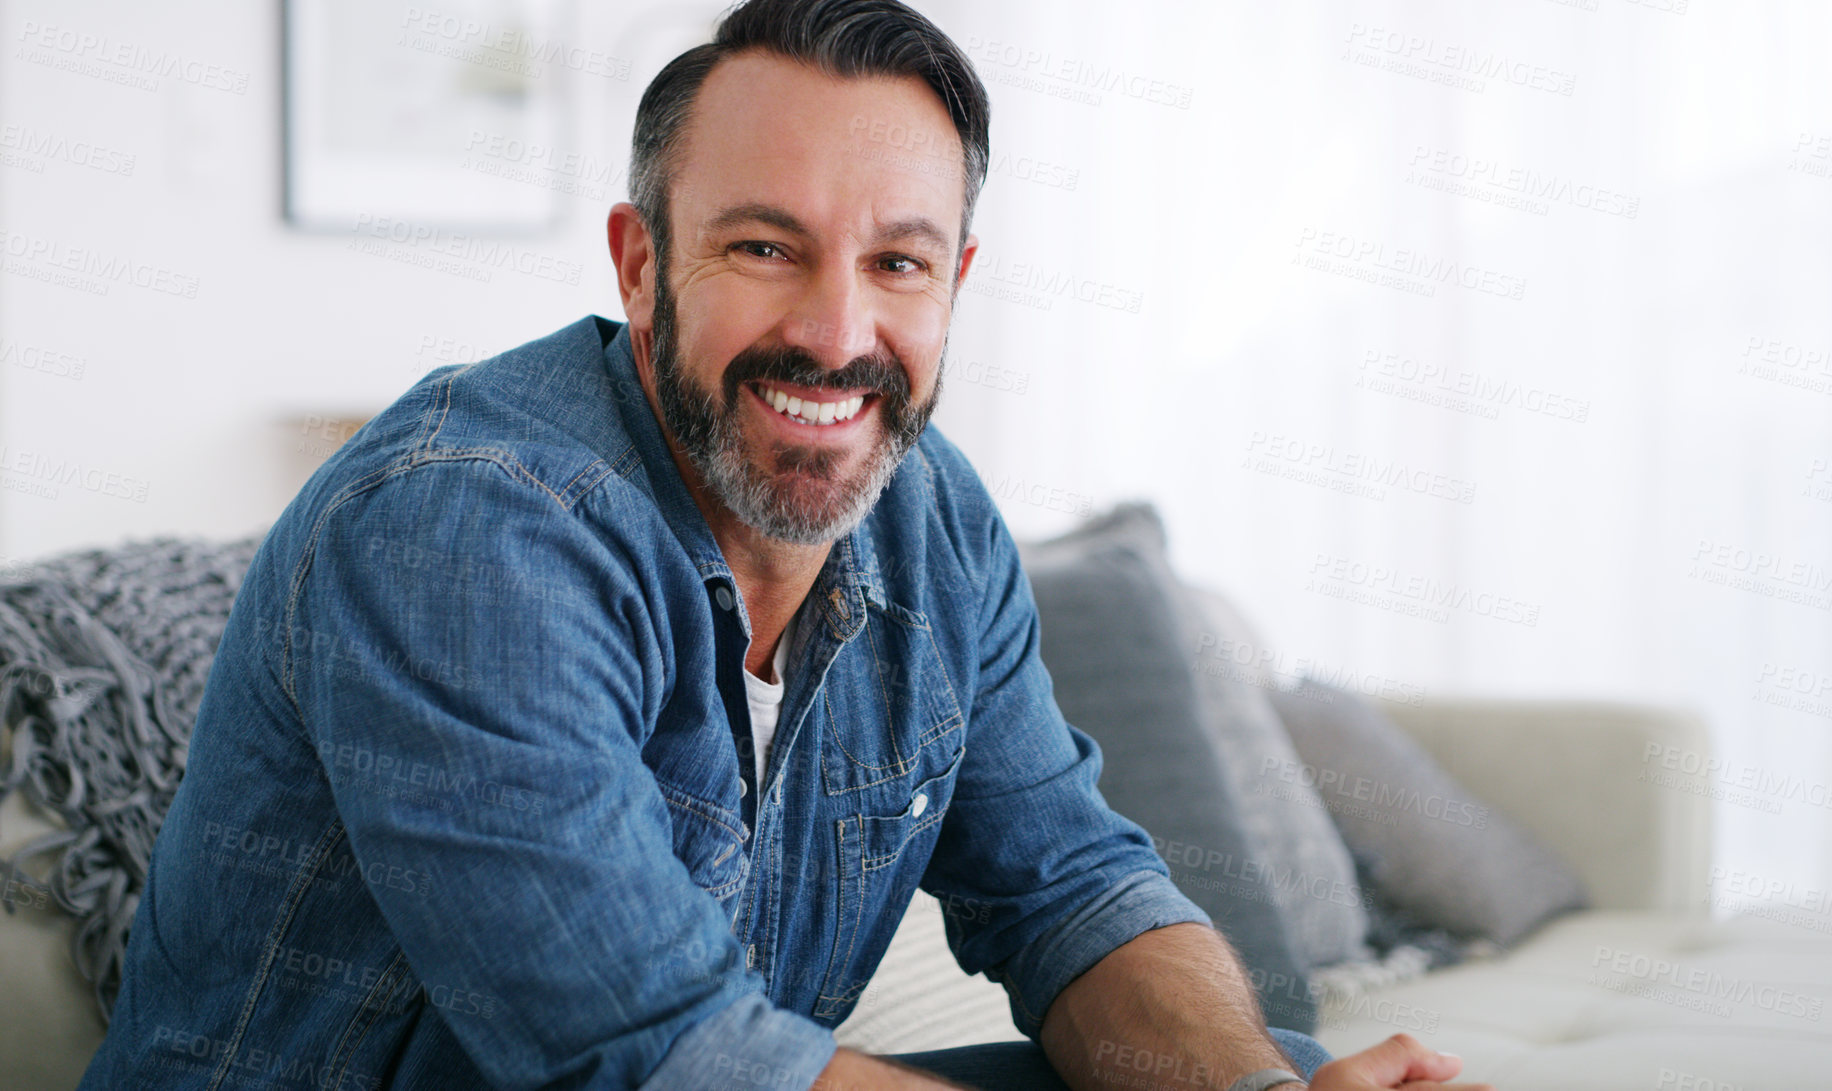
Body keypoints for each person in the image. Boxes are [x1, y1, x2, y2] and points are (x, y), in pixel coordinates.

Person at [82, 1, 1495, 1088]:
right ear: (642, 264)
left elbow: (1069, 891)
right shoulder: (468, 527)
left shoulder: (934, 522)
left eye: (897, 262)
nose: (835, 333)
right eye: (765, 248)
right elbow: (648, 1057)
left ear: (955, 280)